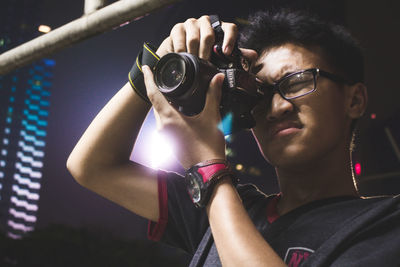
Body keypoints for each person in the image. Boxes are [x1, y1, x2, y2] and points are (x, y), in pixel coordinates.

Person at [67, 9, 400, 266]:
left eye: (297, 82)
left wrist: (208, 170)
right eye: (260, 92)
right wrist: (154, 64)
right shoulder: (228, 209)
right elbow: (93, 166)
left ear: (354, 100)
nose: (277, 107)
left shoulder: (386, 224)